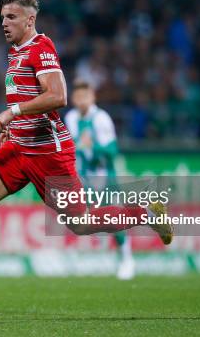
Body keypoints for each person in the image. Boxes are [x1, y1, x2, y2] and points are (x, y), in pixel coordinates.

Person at [0, 0, 172, 305]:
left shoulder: (42, 47)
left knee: (82, 223)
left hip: (48, 154)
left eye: (11, 17)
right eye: (2, 18)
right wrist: (13, 128)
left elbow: (58, 96)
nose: (4, 24)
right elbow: (25, 96)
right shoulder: (16, 52)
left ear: (29, 19)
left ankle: (145, 213)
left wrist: (14, 113)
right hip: (19, 148)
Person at [65, 81, 135, 280]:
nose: (81, 100)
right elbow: (72, 146)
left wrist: (92, 146)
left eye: (84, 96)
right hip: (83, 176)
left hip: (104, 176)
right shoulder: (70, 118)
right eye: (77, 97)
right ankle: (100, 252)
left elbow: (113, 151)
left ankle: (126, 258)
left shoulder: (101, 118)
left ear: (92, 97)